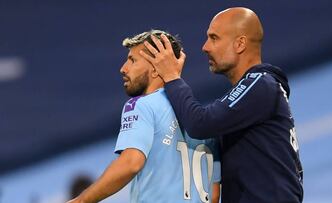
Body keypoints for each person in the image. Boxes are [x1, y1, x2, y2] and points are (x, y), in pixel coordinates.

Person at [140, 7, 304, 203]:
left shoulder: (260, 84)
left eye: (214, 38)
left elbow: (200, 123)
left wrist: (172, 77)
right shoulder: (257, 90)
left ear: (240, 44)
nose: (205, 47)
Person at [67, 30, 221, 203]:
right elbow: (215, 193)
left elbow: (131, 163)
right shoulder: (202, 119)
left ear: (156, 69)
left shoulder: (141, 105)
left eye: (132, 60)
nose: (123, 68)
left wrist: (80, 201)